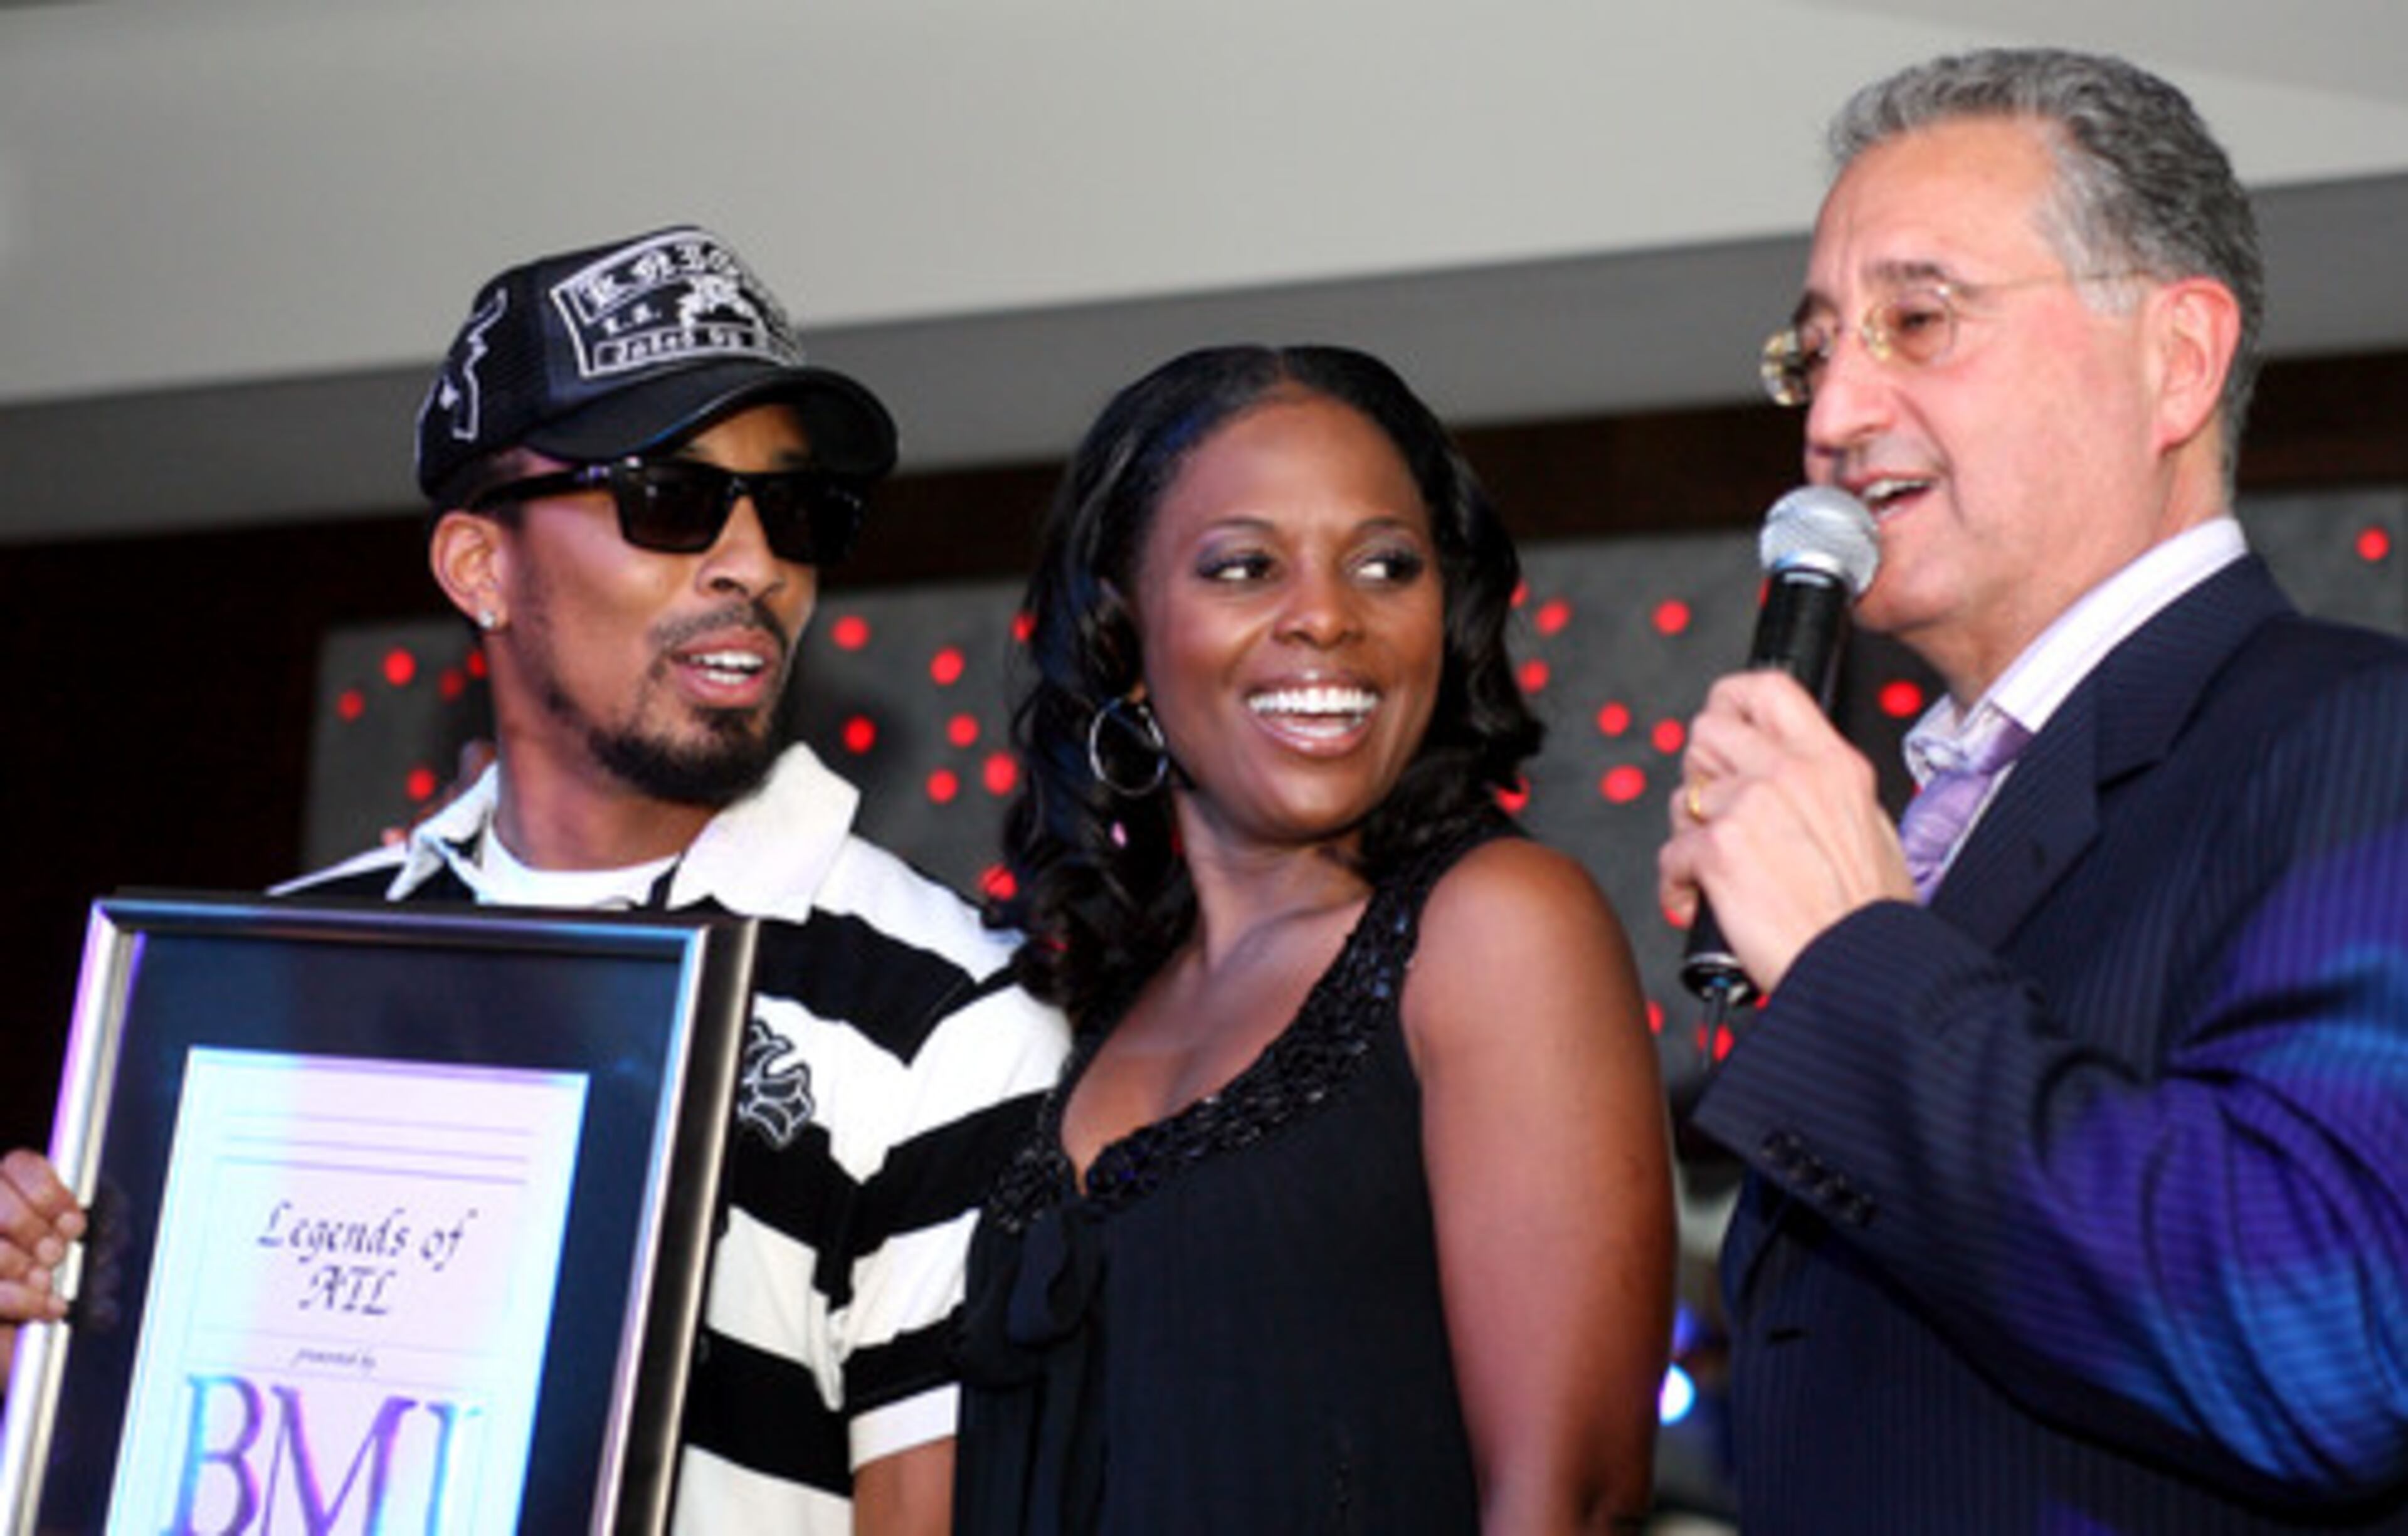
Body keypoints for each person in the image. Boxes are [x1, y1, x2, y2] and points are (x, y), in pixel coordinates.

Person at [0, 225, 1069, 1535]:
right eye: (670, 498)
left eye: (796, 509)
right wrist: (49, 1357)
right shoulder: (270, 973)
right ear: (479, 568)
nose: (755, 564)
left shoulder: (947, 1014)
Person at [1657, 48, 2408, 1532]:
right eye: (1815, 350)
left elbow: (2326, 1346)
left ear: (2177, 360)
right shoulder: (1951, 807)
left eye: (1919, 321)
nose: (1833, 413)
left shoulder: (2356, 736)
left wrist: (1851, 956)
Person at [951, 344, 1676, 1533]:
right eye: (1245, 567)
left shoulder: (1495, 930)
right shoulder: (1079, 996)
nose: (1329, 617)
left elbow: (1572, 1498)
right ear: (1125, 635)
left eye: (1387, 565)